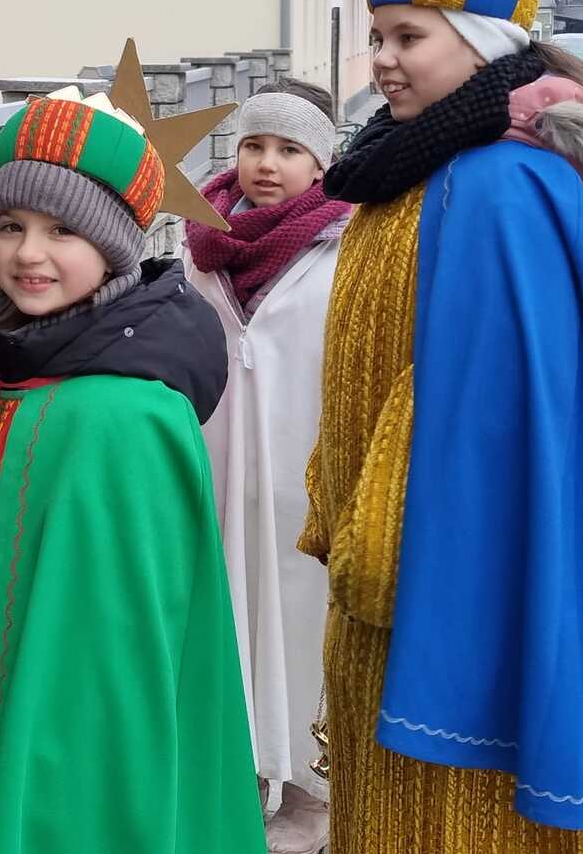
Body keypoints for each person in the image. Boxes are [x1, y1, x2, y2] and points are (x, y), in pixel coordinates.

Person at [299, 0, 583, 852]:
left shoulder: (497, 186)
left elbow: (483, 416)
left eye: (410, 37)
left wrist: (374, 554)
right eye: (379, 36)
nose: (385, 59)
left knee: (453, 820)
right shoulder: (411, 168)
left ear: (479, 44)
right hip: (385, 590)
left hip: (444, 600)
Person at [0, 85, 266, 854]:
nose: (27, 253)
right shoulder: (25, 369)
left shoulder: (113, 415)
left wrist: (14, 806)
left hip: (39, 761)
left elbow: (101, 668)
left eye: (63, 229)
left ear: (114, 246)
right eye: (10, 225)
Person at [182, 81, 351, 854]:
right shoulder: (199, 247)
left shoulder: (342, 244)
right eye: (254, 144)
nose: (267, 163)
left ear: (320, 163)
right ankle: (239, 768)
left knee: (300, 619)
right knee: (226, 615)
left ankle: (311, 787)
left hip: (300, 475)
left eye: (289, 149)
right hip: (218, 468)